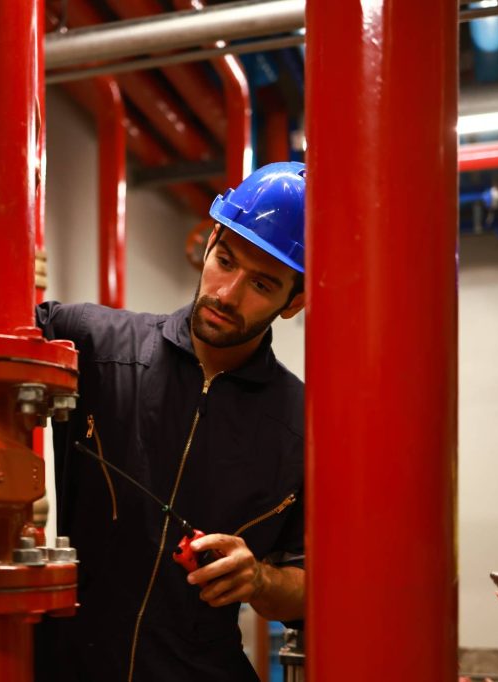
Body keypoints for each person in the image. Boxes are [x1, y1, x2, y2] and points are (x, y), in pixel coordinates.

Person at [33, 162, 307, 682]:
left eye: (262, 284)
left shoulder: (301, 424)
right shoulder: (91, 342)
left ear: (294, 303)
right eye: (224, 261)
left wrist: (259, 580)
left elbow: (309, 588)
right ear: (209, 246)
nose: (227, 293)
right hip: (66, 663)